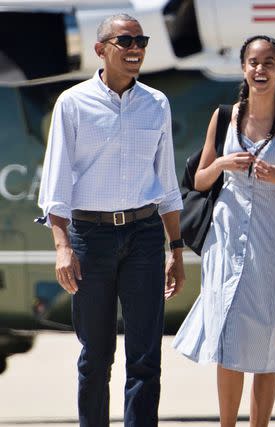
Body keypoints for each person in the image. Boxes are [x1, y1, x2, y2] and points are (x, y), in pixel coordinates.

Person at [37, 14, 185, 426]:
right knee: (95, 356)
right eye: (125, 39)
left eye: (141, 39)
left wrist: (175, 248)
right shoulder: (73, 102)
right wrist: (62, 246)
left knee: (145, 356)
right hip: (89, 236)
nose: (135, 47)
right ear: (101, 48)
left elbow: (167, 182)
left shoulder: (157, 103)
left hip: (143, 235)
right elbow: (56, 181)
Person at [172, 35, 275, 427]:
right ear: (243, 68)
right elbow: (200, 181)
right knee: (226, 336)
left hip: (272, 244)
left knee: (266, 341)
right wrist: (223, 162)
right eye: (254, 62)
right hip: (224, 237)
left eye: (269, 62)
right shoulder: (224, 116)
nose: (261, 69)